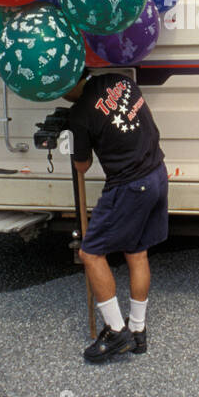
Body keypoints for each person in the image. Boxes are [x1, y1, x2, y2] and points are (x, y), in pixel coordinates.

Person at [63, 68, 168, 364]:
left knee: (91, 254)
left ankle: (115, 330)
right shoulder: (121, 81)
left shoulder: (79, 114)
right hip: (157, 174)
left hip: (130, 186)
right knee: (136, 253)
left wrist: (75, 137)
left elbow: (81, 167)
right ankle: (138, 331)